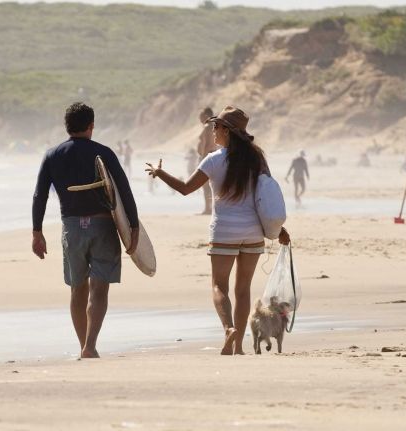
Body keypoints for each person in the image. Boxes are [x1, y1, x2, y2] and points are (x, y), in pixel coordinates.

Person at [145, 105, 290, 355]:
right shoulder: (257, 159)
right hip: (253, 232)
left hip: (224, 232)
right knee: (243, 289)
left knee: (218, 286)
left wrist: (160, 173)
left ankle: (228, 329)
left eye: (216, 127)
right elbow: (266, 197)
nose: (212, 131)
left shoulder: (214, 160)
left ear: (226, 131)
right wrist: (280, 228)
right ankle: (240, 347)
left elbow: (185, 188)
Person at [32, 102, 139, 359]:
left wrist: (37, 231)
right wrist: (133, 227)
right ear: (91, 126)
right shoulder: (104, 153)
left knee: (77, 288)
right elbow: (123, 190)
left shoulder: (52, 155)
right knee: (99, 290)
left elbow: (40, 196)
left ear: (67, 126)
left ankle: (84, 346)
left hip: (71, 228)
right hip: (102, 225)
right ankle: (90, 344)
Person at [197, 107, 217, 215]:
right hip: (213, 155)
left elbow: (205, 145)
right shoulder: (215, 126)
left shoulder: (207, 127)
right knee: (212, 184)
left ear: (205, 115)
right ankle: (211, 208)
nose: (199, 118)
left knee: (205, 185)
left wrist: (203, 159)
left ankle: (207, 209)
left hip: (206, 156)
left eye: (200, 115)